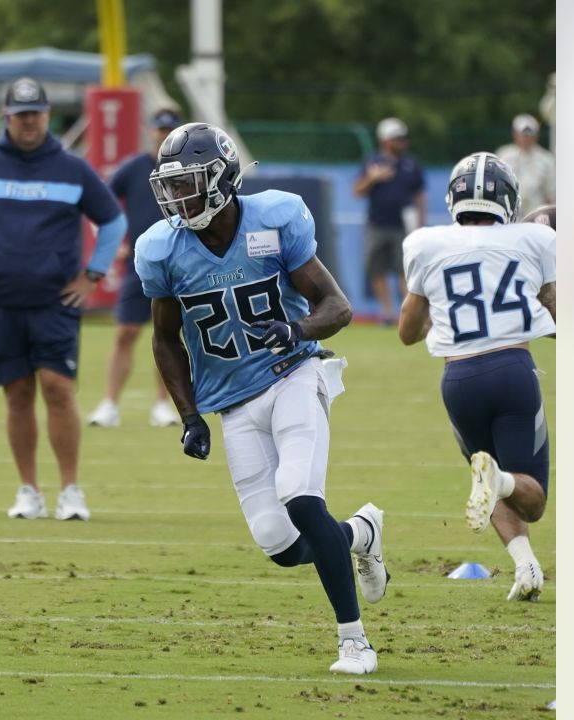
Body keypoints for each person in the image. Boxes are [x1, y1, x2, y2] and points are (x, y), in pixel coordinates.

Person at [136, 122, 390, 674]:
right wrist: (189, 415)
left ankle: (354, 641)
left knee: (301, 498)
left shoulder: (274, 219)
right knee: (278, 543)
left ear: (223, 178)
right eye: (171, 185)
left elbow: (337, 306)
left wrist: (297, 331)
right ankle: (360, 533)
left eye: (190, 183)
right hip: (232, 401)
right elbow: (163, 337)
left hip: (294, 374)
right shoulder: (162, 250)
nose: (178, 197)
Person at [397, 152, 556, 602]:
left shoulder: (426, 243)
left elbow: (407, 333)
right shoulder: (535, 238)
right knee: (530, 495)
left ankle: (526, 567)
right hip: (512, 371)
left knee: (490, 473)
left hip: (459, 380)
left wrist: (444, 316)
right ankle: (501, 481)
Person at [0, 77, 127, 521]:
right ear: (7, 116)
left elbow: (114, 222)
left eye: (37, 113)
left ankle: (70, 491)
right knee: (18, 394)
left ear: (47, 116)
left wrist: (93, 276)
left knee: (58, 389)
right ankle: (29, 491)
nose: (30, 122)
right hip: (0, 303)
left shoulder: (72, 168)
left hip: (54, 303)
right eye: (21, 114)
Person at [85, 109, 186, 429]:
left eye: (170, 130)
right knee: (125, 333)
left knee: (169, 333)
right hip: (140, 265)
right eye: (160, 129)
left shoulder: (189, 169)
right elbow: (100, 204)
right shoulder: (134, 168)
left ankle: (164, 404)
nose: (163, 135)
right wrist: (113, 244)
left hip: (182, 264)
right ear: (151, 132)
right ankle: (110, 404)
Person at [353, 117, 426, 325]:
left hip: (403, 226)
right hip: (377, 224)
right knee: (378, 270)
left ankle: (408, 314)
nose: (403, 143)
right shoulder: (372, 162)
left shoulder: (411, 164)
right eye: (398, 139)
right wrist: (373, 178)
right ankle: (387, 314)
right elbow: (357, 191)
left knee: (405, 271)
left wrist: (420, 222)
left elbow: (420, 195)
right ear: (385, 140)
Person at [496, 114, 556, 212]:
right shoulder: (503, 156)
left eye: (529, 134)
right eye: (523, 134)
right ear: (515, 134)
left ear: (536, 135)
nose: (525, 138)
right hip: (509, 217)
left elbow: (552, 194)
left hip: (537, 216)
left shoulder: (547, 160)